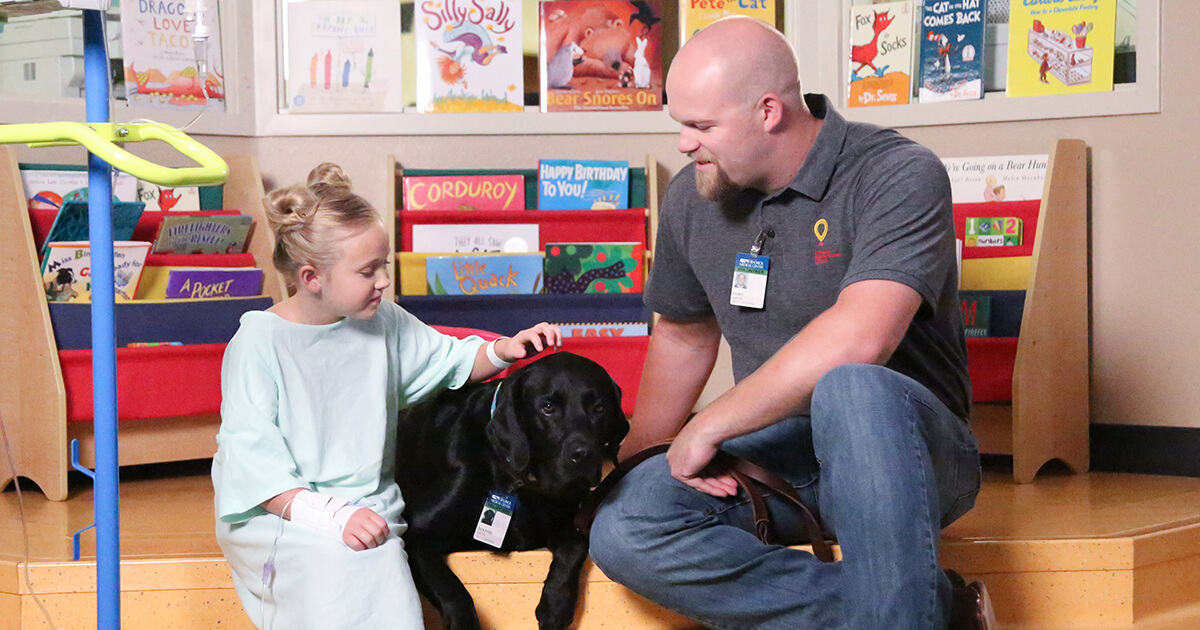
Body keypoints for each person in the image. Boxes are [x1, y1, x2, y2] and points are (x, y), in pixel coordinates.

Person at [589, 17, 994, 630]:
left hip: (908, 453)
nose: (683, 144)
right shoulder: (694, 195)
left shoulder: (898, 174)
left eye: (700, 126)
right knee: (627, 525)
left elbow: (863, 337)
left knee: (851, 385)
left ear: (769, 111)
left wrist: (711, 425)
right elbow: (683, 334)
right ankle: (928, 610)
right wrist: (637, 460)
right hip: (779, 452)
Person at [211, 163, 561, 629]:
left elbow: (448, 360)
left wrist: (503, 350)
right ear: (312, 277)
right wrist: (330, 516)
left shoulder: (383, 321)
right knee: (334, 570)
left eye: (385, 266)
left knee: (385, 584)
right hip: (284, 512)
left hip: (368, 506)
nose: (382, 281)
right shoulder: (259, 343)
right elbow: (251, 461)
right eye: (367, 271)